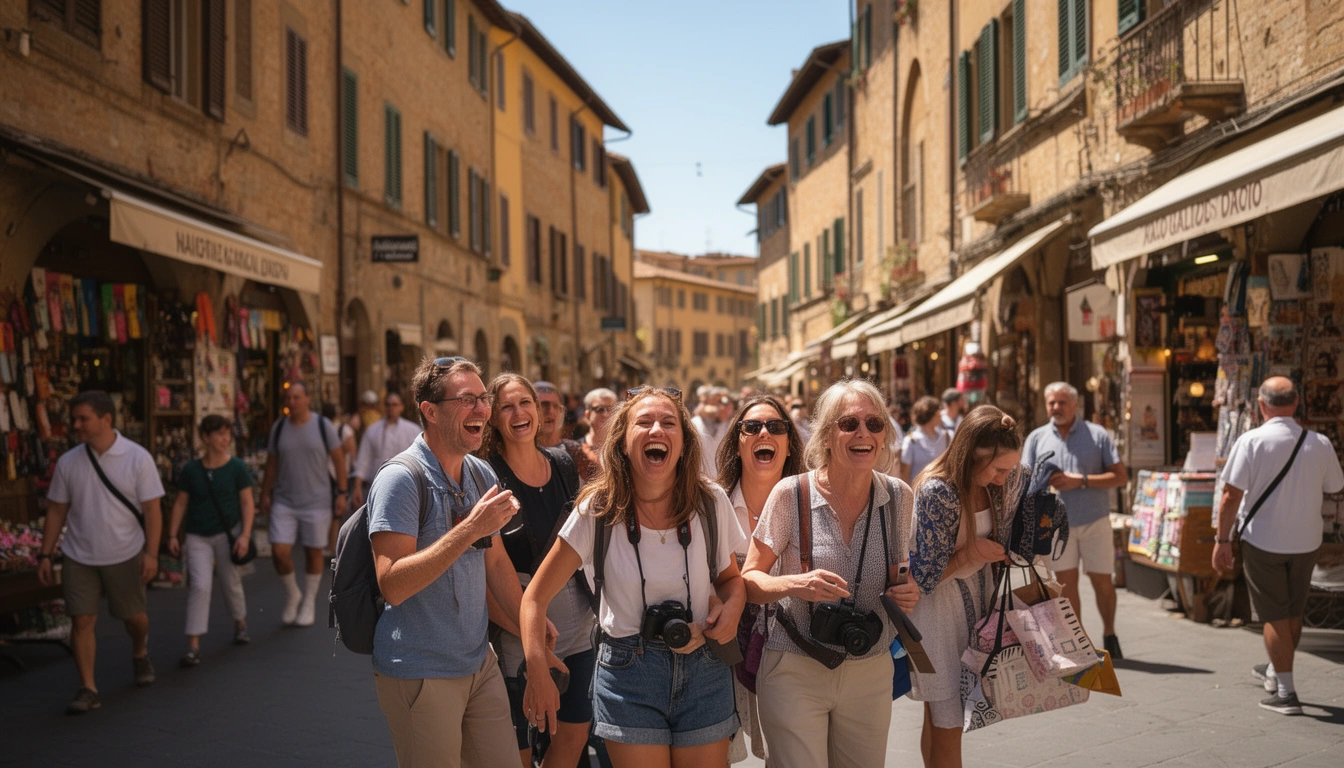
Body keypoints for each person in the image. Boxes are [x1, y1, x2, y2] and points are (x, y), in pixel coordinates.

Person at [521, 387, 747, 768]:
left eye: (669, 423)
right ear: (623, 443)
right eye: (644, 422)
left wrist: (732, 611)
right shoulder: (598, 508)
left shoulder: (710, 502)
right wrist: (537, 667)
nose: (656, 430)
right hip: (628, 675)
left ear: (684, 443)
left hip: (704, 668)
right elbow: (534, 598)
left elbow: (731, 581)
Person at [367, 356, 547, 767]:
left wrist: (532, 631)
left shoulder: (481, 473)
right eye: (467, 399)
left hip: (479, 664)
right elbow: (392, 584)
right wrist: (469, 529)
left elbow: (496, 564)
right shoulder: (400, 479)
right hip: (420, 670)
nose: (482, 409)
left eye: (483, 398)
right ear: (430, 411)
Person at [742, 380, 921, 768]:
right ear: (825, 436)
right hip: (795, 665)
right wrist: (794, 584)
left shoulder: (899, 497)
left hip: (869, 667)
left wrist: (908, 591)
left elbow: (900, 573)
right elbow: (749, 580)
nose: (863, 433)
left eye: (875, 424)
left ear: (885, 436)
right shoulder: (791, 494)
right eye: (849, 424)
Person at [477, 373, 597, 768]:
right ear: (493, 419)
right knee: (518, 752)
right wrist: (533, 641)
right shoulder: (485, 476)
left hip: (577, 633)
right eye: (506, 407)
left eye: (525, 403)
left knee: (573, 736)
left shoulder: (562, 463)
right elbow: (486, 573)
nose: (519, 413)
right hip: (515, 639)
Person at [1214, 377, 1344, 715]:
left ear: (1261, 405)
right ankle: (1276, 669)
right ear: (1296, 402)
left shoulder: (1250, 441)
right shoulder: (1319, 442)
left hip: (1263, 541)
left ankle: (1286, 692)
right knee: (1292, 612)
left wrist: (1222, 540)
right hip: (1306, 541)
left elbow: (1230, 496)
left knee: (1274, 615)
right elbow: (1335, 486)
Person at [909, 406, 1025, 768]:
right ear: (973, 455)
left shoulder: (990, 486)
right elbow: (923, 577)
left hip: (976, 605)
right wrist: (970, 554)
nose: (1003, 479)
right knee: (948, 720)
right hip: (939, 616)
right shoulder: (938, 491)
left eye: (1008, 470)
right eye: (999, 470)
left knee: (941, 718)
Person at [36, 390, 165, 715]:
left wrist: (151, 554)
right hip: (79, 555)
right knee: (81, 620)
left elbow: (152, 510)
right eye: (75, 419)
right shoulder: (69, 462)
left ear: (106, 419)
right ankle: (88, 688)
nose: (76, 425)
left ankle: (140, 651)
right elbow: (56, 511)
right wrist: (45, 554)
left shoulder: (137, 458)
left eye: (84, 419)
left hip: (125, 553)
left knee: (134, 618)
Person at [714, 394, 807, 764]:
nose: (764, 433)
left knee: (785, 755)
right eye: (751, 427)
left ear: (789, 445)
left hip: (792, 649)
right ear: (738, 443)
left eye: (776, 426)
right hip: (720, 652)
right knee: (715, 753)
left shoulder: (809, 504)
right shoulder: (713, 504)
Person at [1023, 382, 1128, 659]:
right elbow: (1024, 480)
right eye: (1051, 403)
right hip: (1055, 526)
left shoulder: (1097, 434)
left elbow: (1120, 477)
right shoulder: (1036, 438)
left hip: (1094, 520)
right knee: (1066, 587)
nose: (1056, 408)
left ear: (1075, 404)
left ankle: (1110, 632)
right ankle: (1080, 644)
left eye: (1062, 402)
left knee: (1102, 582)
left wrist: (1080, 481)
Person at [166, 414, 255, 667]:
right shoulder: (191, 470)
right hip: (197, 535)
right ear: (205, 437)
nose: (225, 439)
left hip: (228, 534)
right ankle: (193, 644)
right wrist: (172, 534)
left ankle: (240, 622)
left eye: (227, 434)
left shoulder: (237, 467)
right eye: (219, 434)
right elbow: (181, 503)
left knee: (230, 582)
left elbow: (247, 502)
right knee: (200, 586)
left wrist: (245, 535)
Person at [258, 382, 347, 627]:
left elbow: (339, 460)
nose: (292, 402)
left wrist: (342, 493)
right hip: (284, 500)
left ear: (308, 399)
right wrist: (265, 493)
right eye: (288, 398)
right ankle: (293, 593)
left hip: (317, 500)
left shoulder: (322, 426)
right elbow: (271, 464)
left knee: (313, 551)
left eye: (297, 397)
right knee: (278, 551)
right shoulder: (279, 428)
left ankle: (308, 601)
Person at [351, 392, 423, 509]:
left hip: (406, 489)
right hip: (376, 488)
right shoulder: (372, 430)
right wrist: (357, 487)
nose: (391, 408)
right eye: (388, 405)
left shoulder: (412, 430)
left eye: (394, 405)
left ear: (401, 407)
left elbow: (420, 460)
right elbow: (363, 460)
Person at [324, 401, 358, 552]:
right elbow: (353, 452)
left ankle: (330, 546)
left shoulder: (321, 428)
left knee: (332, 513)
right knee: (337, 514)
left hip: (325, 473)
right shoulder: (345, 430)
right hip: (341, 473)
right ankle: (334, 547)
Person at [898, 396, 951, 485]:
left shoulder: (946, 437)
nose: (940, 415)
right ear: (929, 416)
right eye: (937, 413)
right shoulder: (911, 441)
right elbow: (905, 474)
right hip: (918, 490)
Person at [577, 388, 619, 480]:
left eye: (611, 410)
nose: (606, 414)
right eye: (600, 409)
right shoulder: (575, 450)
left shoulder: (623, 449)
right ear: (587, 415)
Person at [692, 388, 730, 481]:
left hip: (722, 480)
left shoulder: (726, 426)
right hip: (699, 479)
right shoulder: (694, 424)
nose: (719, 407)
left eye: (719, 402)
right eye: (714, 402)